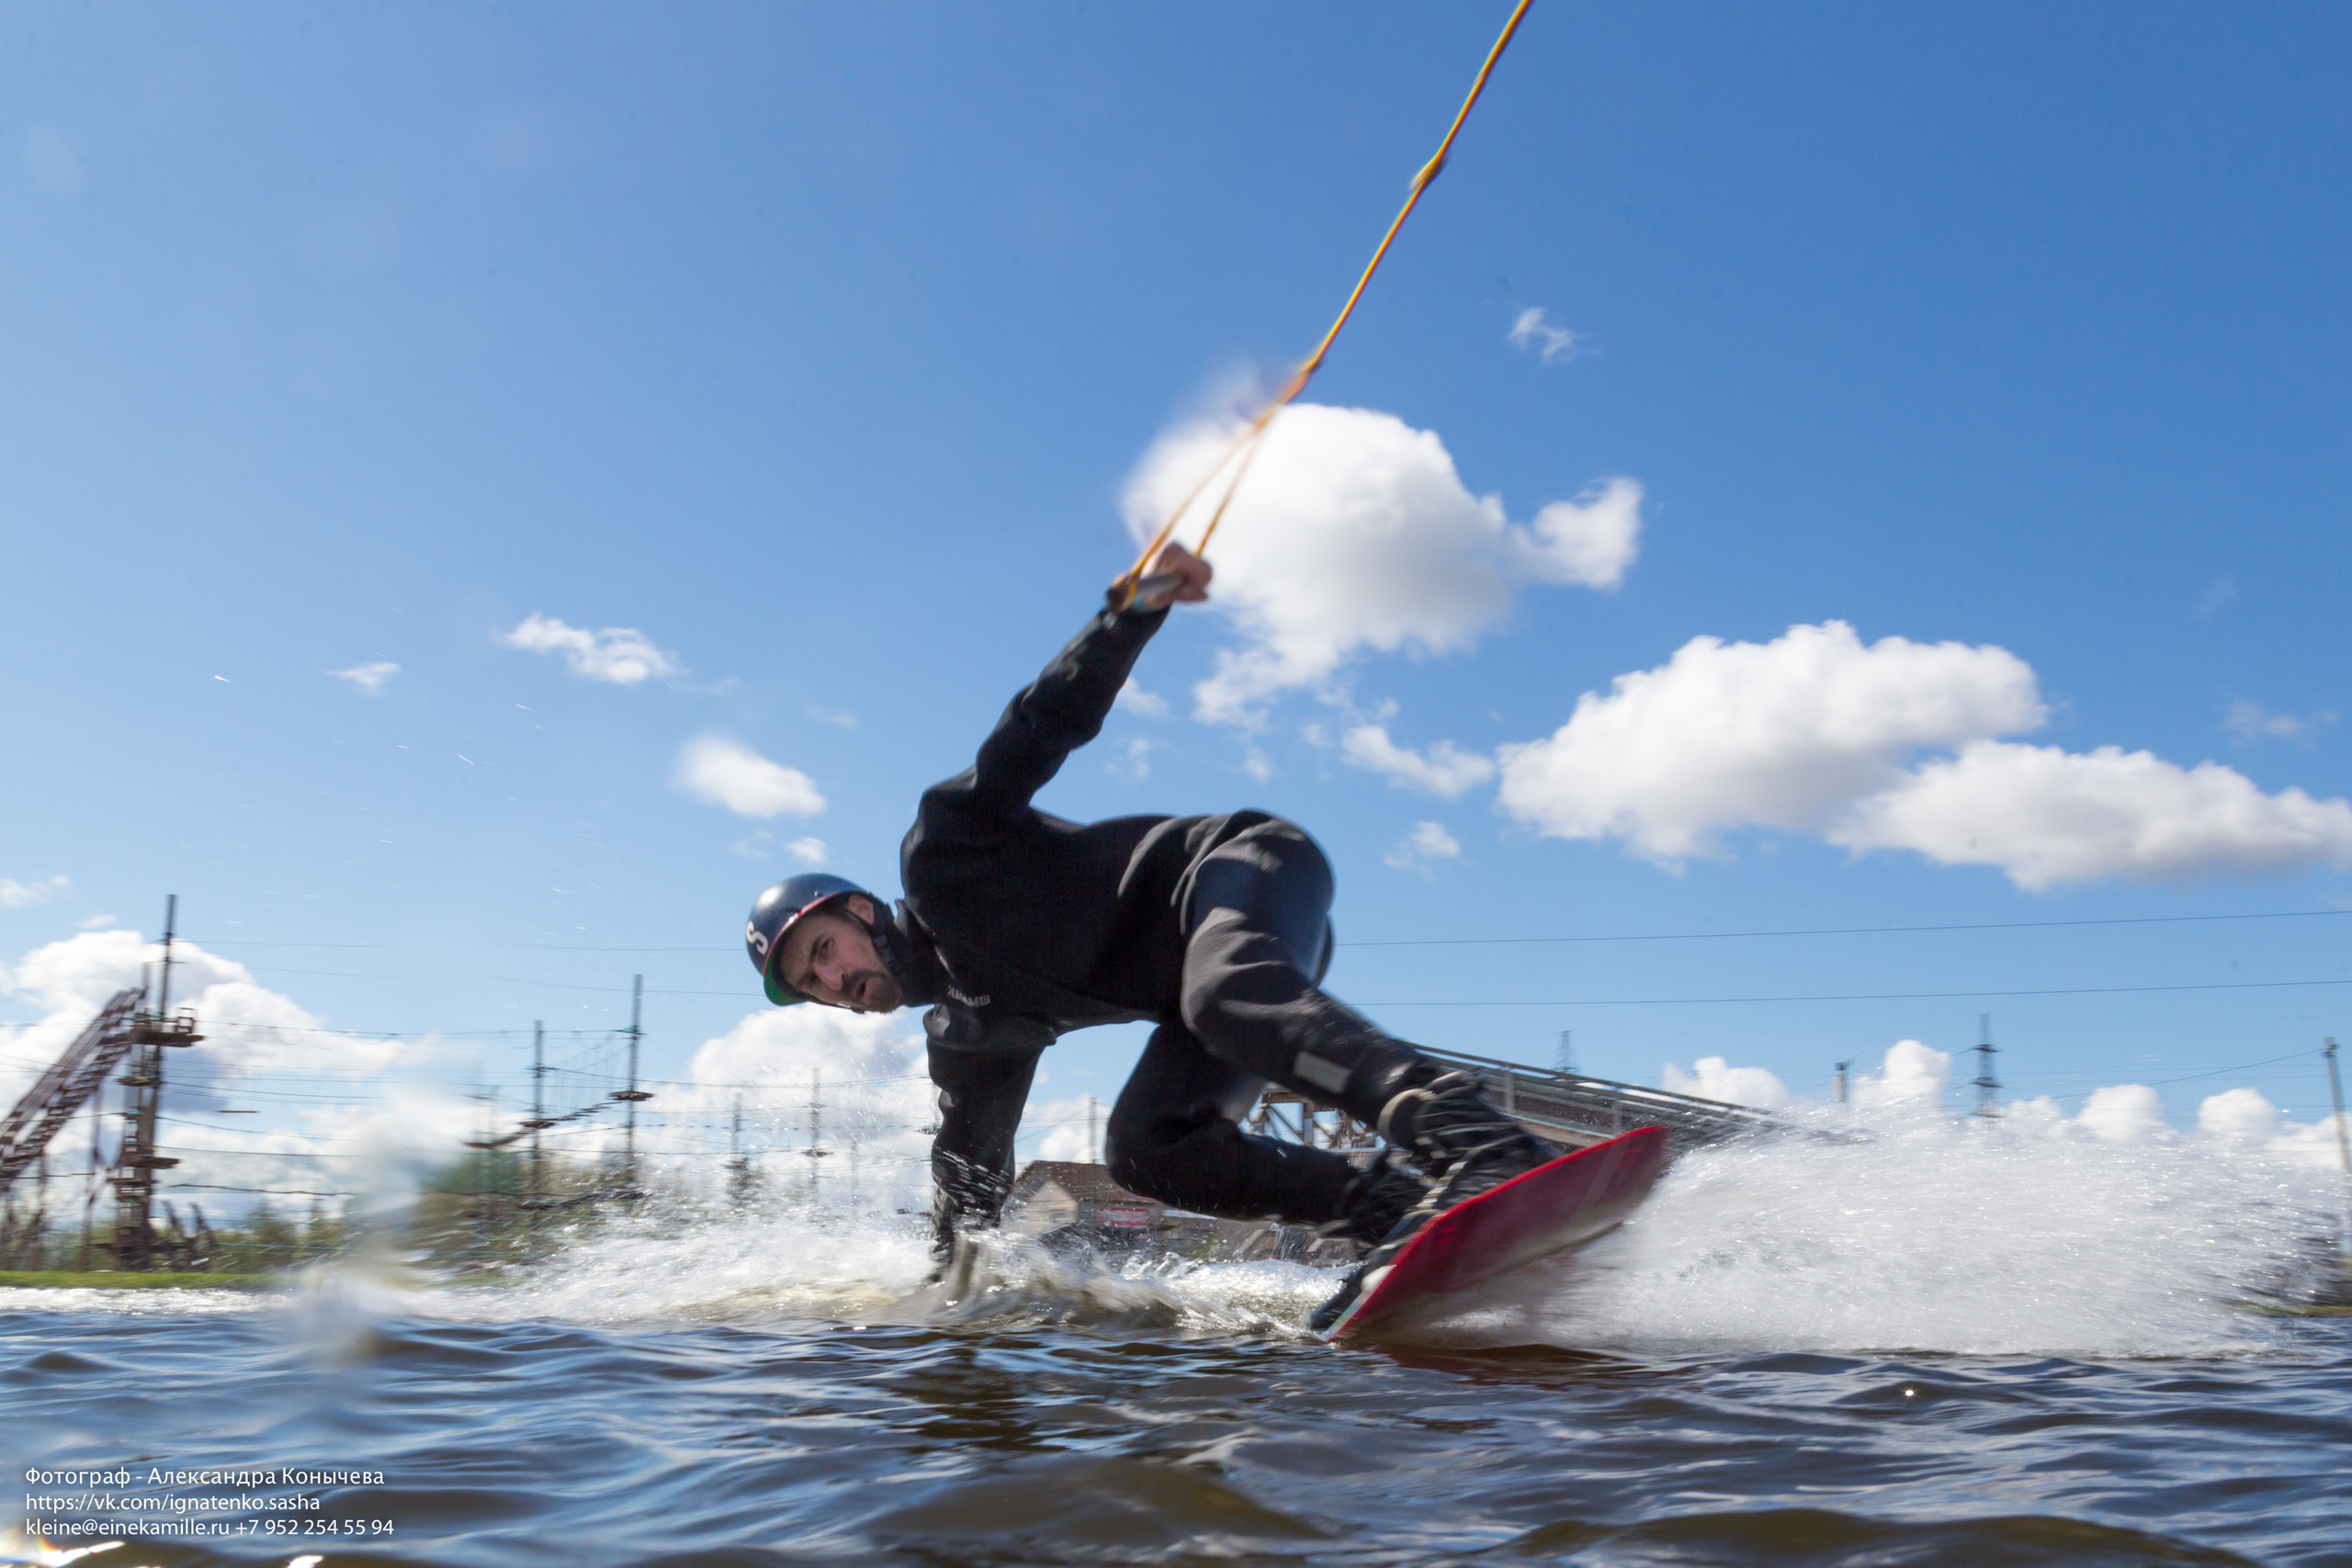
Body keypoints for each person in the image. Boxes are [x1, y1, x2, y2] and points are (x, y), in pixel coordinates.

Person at [742, 544, 1555, 1331]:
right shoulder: (969, 1037)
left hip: (1246, 870)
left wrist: (1127, 616)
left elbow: (1038, 727)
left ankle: (1477, 1142)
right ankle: (1392, 1213)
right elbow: (969, 1182)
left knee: (1223, 994)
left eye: (821, 949)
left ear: (856, 909)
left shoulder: (943, 856)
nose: (832, 982)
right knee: (1146, 1148)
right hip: (1216, 1001)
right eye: (813, 985)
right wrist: (940, 1301)